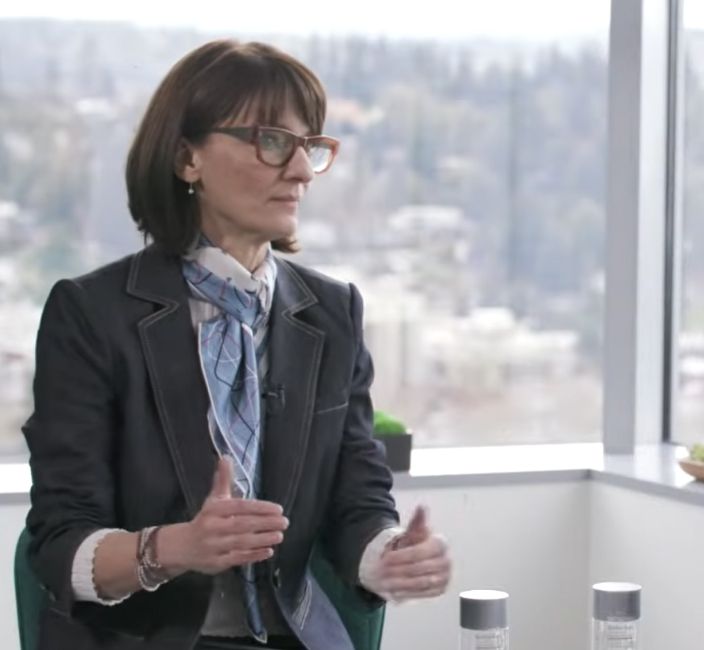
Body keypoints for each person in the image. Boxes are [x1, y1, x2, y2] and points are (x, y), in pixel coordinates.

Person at [22, 39, 452, 650]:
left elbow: (357, 500)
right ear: (186, 158)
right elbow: (58, 545)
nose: (301, 171)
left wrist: (385, 557)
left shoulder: (331, 315)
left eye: (310, 147)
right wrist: (173, 547)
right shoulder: (92, 314)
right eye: (272, 141)